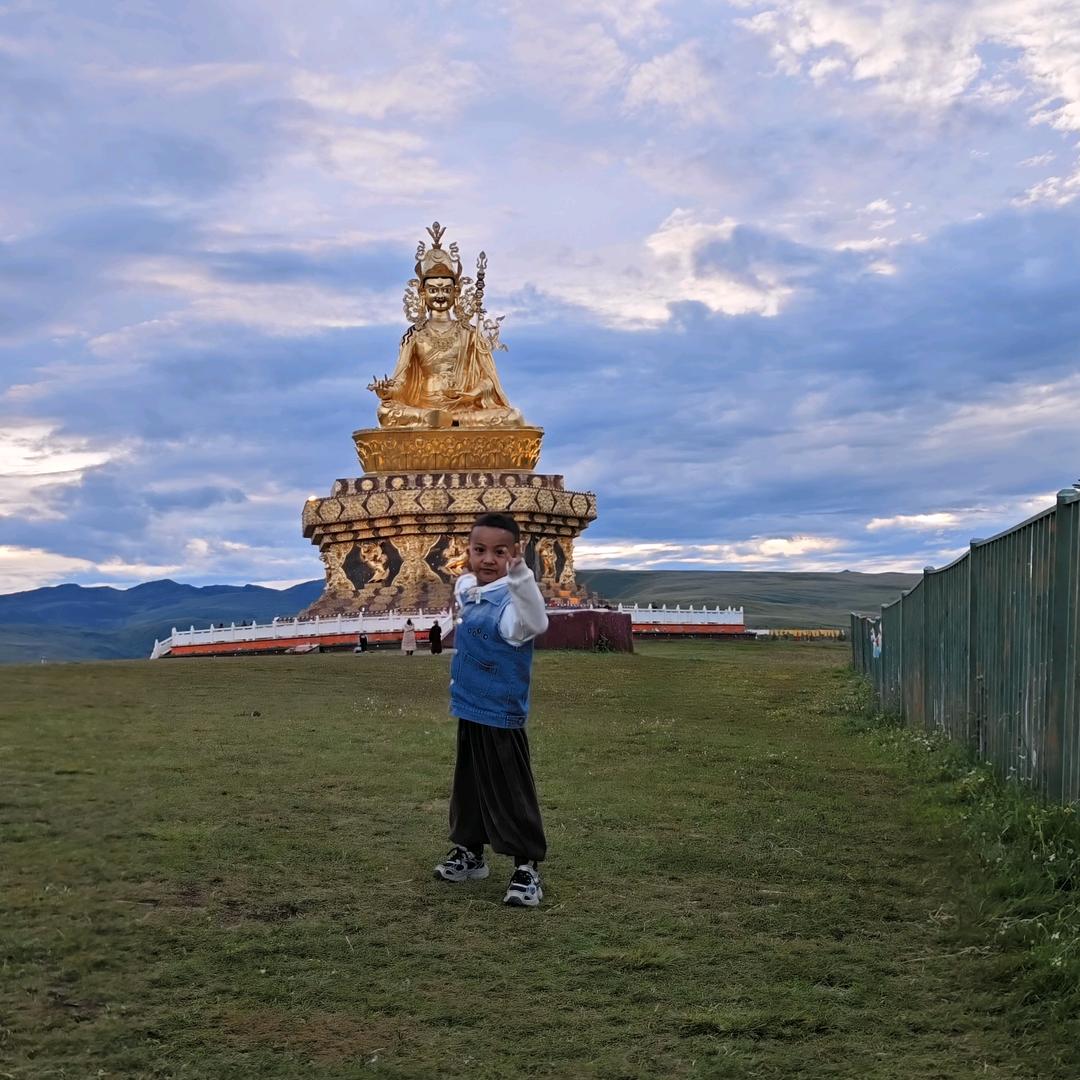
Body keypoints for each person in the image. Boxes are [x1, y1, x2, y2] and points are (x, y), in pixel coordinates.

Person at [433, 512, 549, 907]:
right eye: (479, 550)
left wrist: (521, 579)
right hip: (469, 708)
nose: (487, 559)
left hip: (501, 714)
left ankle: (526, 866)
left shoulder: (512, 606)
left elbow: (536, 621)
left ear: (514, 554)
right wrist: (464, 580)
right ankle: (470, 852)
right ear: (468, 552)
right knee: (468, 787)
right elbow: (464, 583)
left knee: (510, 790)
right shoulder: (471, 591)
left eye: (499, 552)